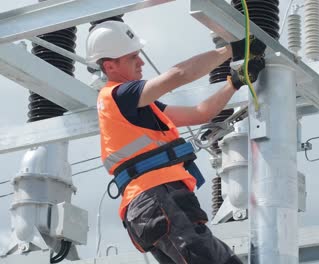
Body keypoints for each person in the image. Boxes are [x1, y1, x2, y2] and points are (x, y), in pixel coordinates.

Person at [86, 21, 265, 264]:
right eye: (132, 57)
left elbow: (200, 114)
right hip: (157, 198)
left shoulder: (135, 108)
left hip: (153, 206)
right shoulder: (119, 95)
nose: (140, 63)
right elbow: (178, 75)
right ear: (110, 66)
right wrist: (231, 50)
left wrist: (233, 83)